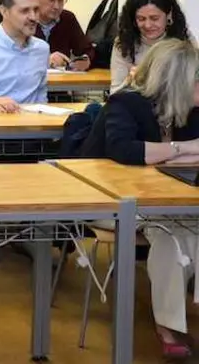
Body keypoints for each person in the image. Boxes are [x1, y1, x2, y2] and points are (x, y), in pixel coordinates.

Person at [85, 39, 199, 358]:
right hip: (108, 200)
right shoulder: (125, 103)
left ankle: (177, 315)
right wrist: (183, 149)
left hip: (161, 200)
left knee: (186, 225)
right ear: (176, 82)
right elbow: (127, 151)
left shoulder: (188, 110)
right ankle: (168, 325)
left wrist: (165, 153)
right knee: (171, 232)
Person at [112, 0, 192, 93]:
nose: (148, 25)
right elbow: (114, 93)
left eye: (154, 18)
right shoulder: (124, 42)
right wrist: (130, 81)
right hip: (137, 105)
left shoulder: (184, 39)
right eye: (141, 19)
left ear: (169, 15)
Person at [33, 0, 94, 71]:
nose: (57, 6)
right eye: (51, 0)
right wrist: (45, 61)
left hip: (61, 83)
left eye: (61, 0)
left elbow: (87, 50)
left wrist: (86, 60)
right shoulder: (25, 20)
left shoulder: (67, 18)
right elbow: (14, 59)